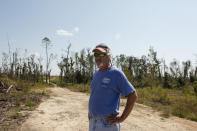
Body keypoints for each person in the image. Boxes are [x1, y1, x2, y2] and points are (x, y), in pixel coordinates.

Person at [88, 43, 138, 131]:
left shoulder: (116, 73)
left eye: (102, 54)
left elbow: (133, 95)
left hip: (107, 124)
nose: (98, 57)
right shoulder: (96, 74)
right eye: (96, 54)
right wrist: (90, 113)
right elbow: (94, 94)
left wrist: (121, 118)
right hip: (93, 122)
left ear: (109, 56)